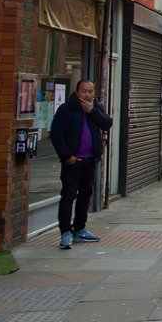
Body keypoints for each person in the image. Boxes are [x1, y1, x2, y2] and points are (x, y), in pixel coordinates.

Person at [51, 80, 112, 249]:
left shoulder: (95, 107)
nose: (87, 94)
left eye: (91, 91)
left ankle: (79, 229)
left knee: (85, 195)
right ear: (77, 92)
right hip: (72, 161)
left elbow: (107, 123)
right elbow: (56, 134)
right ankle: (65, 232)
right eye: (84, 91)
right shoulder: (66, 110)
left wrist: (91, 111)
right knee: (68, 195)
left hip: (90, 160)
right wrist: (66, 156)